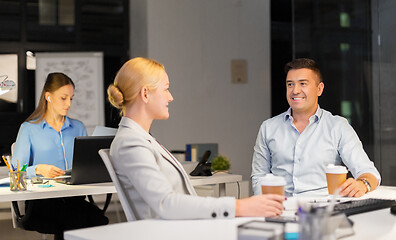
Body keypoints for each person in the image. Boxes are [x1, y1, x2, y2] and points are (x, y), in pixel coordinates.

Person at [108, 57, 285, 220]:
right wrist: (239, 206)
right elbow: (166, 204)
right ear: (145, 94)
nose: (171, 97)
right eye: (166, 89)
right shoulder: (130, 143)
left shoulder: (142, 139)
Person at [251, 58, 381, 198]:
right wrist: (266, 204)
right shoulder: (268, 127)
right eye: (290, 84)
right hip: (279, 208)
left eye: (303, 83)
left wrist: (363, 184)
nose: (295, 90)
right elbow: (259, 177)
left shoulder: (338, 127)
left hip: (323, 210)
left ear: (319, 89)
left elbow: (369, 172)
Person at [12, 72, 108, 239]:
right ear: (48, 97)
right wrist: (39, 169)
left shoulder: (78, 127)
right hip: (41, 202)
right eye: (64, 98)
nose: (69, 103)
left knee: (96, 219)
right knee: (77, 222)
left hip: (73, 199)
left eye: (71, 98)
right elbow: (15, 173)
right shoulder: (28, 129)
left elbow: (85, 164)